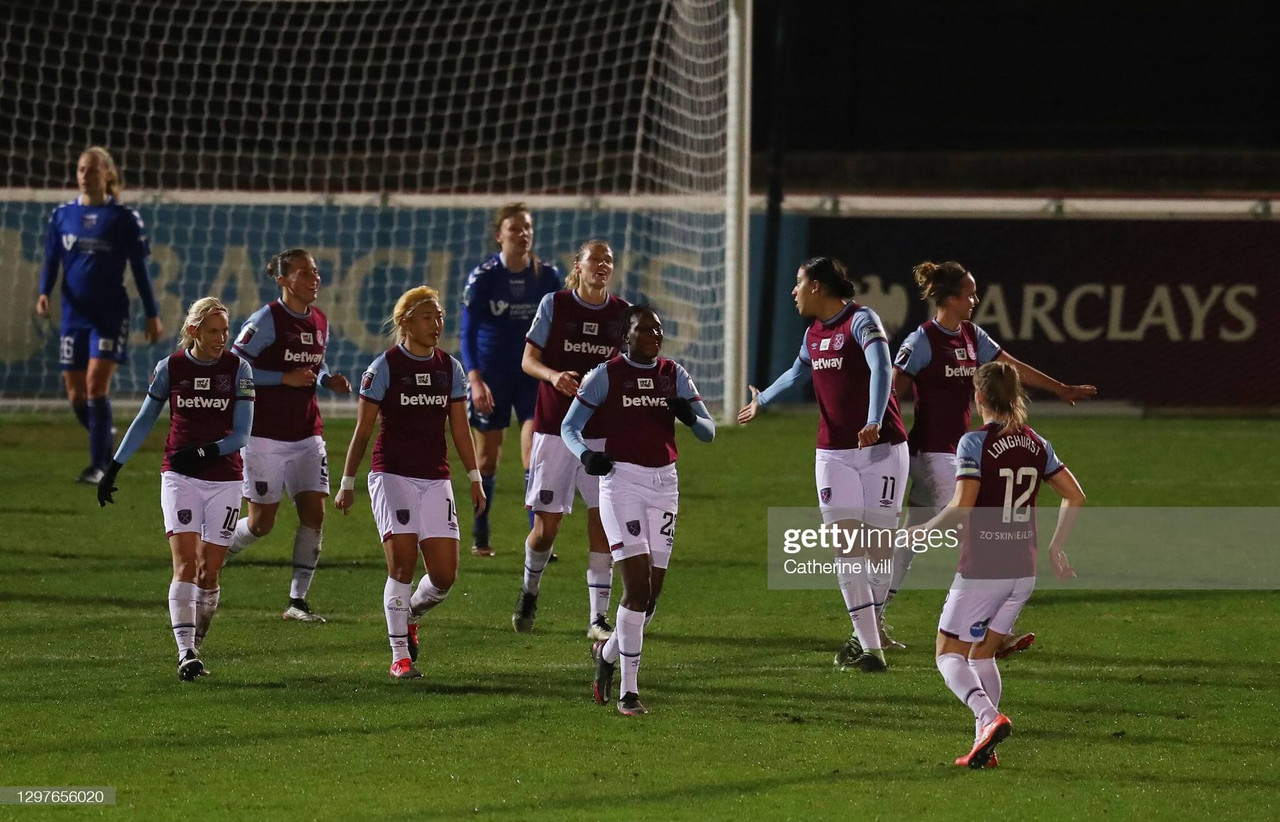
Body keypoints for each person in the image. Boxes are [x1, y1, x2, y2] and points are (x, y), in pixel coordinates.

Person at [889, 260, 1096, 656]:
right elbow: (891, 395)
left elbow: (1010, 368)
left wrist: (1059, 388)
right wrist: (881, 438)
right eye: (969, 294)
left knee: (912, 537)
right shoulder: (921, 341)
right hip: (932, 452)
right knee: (980, 525)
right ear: (950, 299)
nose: (975, 299)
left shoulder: (970, 335)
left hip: (956, 451)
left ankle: (870, 622)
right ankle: (994, 629)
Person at [908, 360, 1083, 768]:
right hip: (1024, 567)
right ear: (1016, 397)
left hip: (985, 567)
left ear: (980, 396)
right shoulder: (1038, 443)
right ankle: (984, 748)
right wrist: (1057, 547)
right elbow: (1075, 495)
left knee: (947, 653)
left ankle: (988, 718)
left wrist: (924, 529)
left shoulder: (973, 443)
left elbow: (962, 505)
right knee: (981, 655)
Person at [738, 257, 908, 672]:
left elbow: (881, 367)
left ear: (816, 286)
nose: (793, 292)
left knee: (879, 551)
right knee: (846, 547)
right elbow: (797, 373)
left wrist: (873, 420)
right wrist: (763, 400)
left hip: (883, 449)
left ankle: (865, 630)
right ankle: (872, 649)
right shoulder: (813, 333)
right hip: (833, 454)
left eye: (798, 283)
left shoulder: (861, 321)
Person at [564, 304, 715, 716]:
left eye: (659, 329)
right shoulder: (605, 375)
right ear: (626, 337)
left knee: (651, 597)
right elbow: (569, 426)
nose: (654, 335)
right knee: (636, 588)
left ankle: (607, 655)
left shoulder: (673, 374)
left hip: (665, 484)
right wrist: (585, 457)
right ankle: (629, 691)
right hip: (622, 483)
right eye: (645, 330)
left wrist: (689, 416)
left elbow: (709, 432)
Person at [96, 297, 254, 681]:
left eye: (225, 331)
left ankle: (195, 639)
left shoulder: (238, 369)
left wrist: (204, 451)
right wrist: (114, 467)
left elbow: (242, 434)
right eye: (214, 331)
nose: (222, 339)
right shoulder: (170, 368)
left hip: (225, 479)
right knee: (184, 563)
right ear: (194, 330)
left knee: (209, 572)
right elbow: (145, 418)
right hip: (179, 478)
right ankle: (186, 652)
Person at [334, 286, 486, 680]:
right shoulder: (383, 367)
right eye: (427, 317)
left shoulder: (449, 368)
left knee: (445, 576)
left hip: (435, 479)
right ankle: (400, 655)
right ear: (405, 323)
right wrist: (347, 481)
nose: (436, 325)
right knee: (402, 564)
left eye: (439, 317)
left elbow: (460, 428)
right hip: (392, 475)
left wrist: (474, 477)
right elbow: (363, 431)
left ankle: (410, 614)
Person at [223, 249, 352, 623]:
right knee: (262, 523)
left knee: (315, 513)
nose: (315, 279)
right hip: (264, 435)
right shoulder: (266, 320)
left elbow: (314, 364)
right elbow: (235, 366)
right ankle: (217, 551)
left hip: (307, 433)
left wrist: (328, 379)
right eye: (305, 272)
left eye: (316, 272)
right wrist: (283, 378)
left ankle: (297, 601)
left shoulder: (320, 321)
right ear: (282, 279)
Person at [512, 240, 628, 639]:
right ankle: (529, 590)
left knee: (603, 525)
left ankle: (598, 618)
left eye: (608, 260)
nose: (602, 264)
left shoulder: (622, 314)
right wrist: (553, 376)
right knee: (547, 529)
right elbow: (528, 360)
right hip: (553, 429)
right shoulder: (555, 305)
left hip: (601, 434)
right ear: (577, 266)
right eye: (594, 258)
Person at [36, 146, 164, 484]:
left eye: (92, 170)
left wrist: (152, 313)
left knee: (95, 386)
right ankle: (104, 432)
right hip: (73, 315)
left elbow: (139, 269)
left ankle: (99, 466)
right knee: (76, 394)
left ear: (107, 174)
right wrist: (43, 293)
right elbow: (52, 261)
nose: (85, 176)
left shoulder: (123, 218)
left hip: (109, 314)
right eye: (81, 169)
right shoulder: (62, 216)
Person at [459, 202, 561, 556]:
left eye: (528, 227)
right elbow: (467, 333)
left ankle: (539, 538)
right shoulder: (484, 276)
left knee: (536, 453)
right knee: (487, 458)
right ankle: (481, 532)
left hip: (531, 376)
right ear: (498, 235)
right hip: (492, 377)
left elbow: (558, 328)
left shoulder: (547, 275)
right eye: (515, 228)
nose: (523, 234)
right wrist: (475, 381)